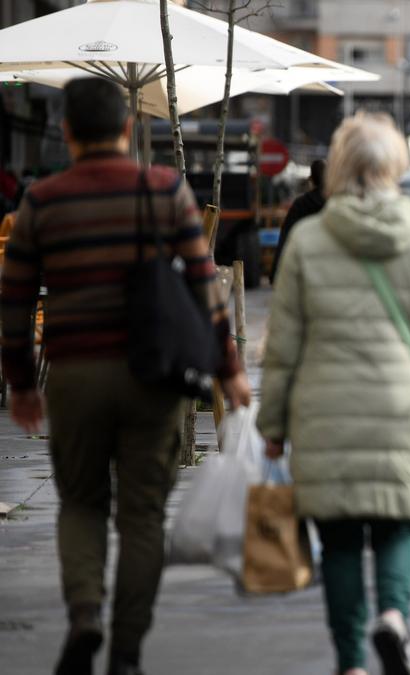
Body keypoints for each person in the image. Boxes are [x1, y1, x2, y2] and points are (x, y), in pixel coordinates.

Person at [0, 77, 251, 675]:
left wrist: (21, 383)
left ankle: (86, 613)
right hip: (153, 377)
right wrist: (229, 368)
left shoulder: (43, 200)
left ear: (65, 132)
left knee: (82, 505)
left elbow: (11, 301)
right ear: (128, 128)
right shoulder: (164, 190)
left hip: (76, 375)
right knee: (141, 516)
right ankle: (128, 651)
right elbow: (202, 282)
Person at [257, 113, 410, 675]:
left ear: (337, 167)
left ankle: (350, 662)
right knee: (396, 525)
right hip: (397, 412)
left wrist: (272, 426)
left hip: (321, 414)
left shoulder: (308, 241)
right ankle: (394, 617)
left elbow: (282, 346)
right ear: (394, 169)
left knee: (337, 542)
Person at [272, 158, 326, 283]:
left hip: (306, 263)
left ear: (311, 179)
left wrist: (276, 272)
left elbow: (286, 234)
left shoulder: (300, 204)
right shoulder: (336, 202)